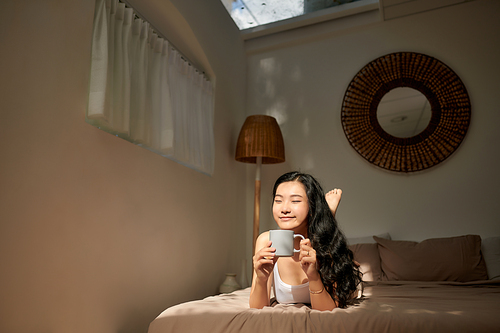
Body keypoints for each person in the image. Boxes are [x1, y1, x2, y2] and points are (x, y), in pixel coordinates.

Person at [249, 171, 361, 311]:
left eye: (295, 201)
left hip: (328, 247)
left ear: (312, 207)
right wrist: (261, 279)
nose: (284, 209)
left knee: (347, 276)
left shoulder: (326, 242)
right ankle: (327, 214)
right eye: (278, 200)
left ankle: (327, 215)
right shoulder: (266, 240)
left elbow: (327, 310)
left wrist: (313, 276)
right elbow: (256, 308)